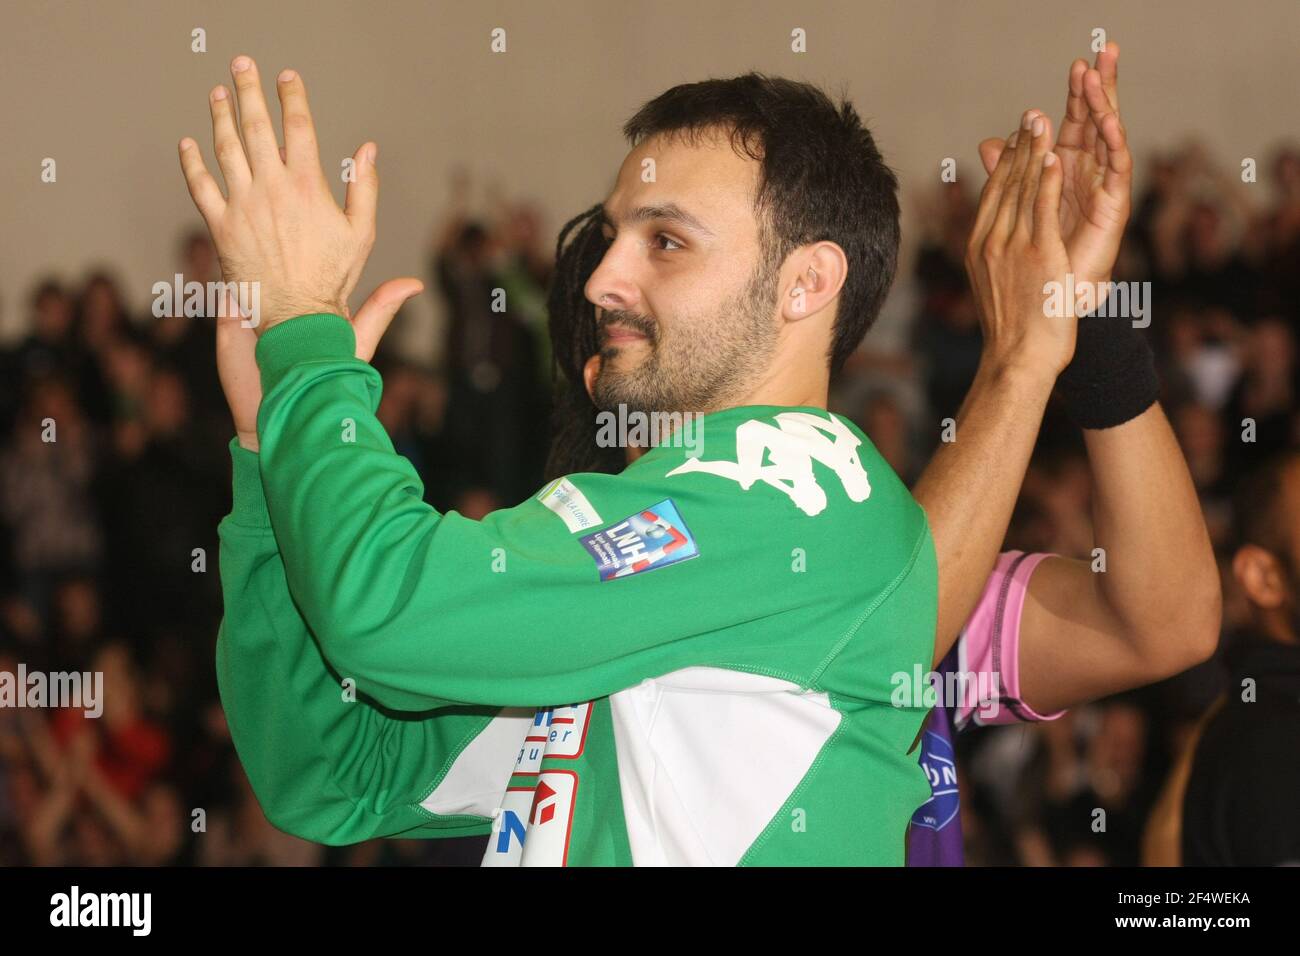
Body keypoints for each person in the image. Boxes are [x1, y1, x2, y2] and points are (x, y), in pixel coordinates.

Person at [177, 45, 1213, 865]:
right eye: (617, 241)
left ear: (805, 282)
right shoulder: (615, 591)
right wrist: (274, 459)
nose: (601, 284)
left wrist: (309, 338)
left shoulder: (799, 488)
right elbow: (336, 768)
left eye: (664, 241)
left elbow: (384, 602)